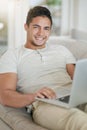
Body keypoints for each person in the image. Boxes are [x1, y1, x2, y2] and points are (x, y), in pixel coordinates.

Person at [0, 5, 87, 130]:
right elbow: (4, 95)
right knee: (80, 121)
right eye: (36, 27)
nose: (41, 33)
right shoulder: (12, 55)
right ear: (26, 27)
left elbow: (77, 76)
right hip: (44, 105)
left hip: (74, 97)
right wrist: (33, 96)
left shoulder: (62, 50)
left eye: (46, 28)